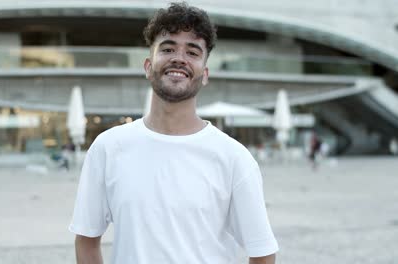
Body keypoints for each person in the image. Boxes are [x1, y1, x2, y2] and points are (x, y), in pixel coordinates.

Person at [69, 2, 278, 264]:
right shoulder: (108, 148)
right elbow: (86, 241)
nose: (179, 58)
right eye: (167, 49)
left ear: (204, 74)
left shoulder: (234, 158)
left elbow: (262, 253)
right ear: (148, 66)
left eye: (192, 52)